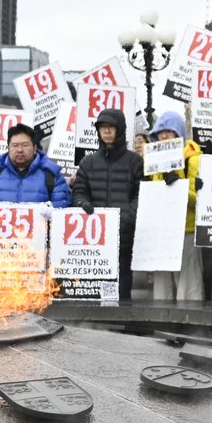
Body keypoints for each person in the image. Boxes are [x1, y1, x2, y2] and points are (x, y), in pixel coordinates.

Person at [70, 109, 141, 301]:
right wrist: (82, 203)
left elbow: (141, 194)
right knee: (93, 292)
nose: (107, 131)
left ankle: (125, 329)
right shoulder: (88, 162)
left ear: (120, 129)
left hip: (124, 237)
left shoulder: (135, 162)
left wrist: (127, 215)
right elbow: (78, 191)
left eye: (111, 127)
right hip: (95, 241)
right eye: (102, 128)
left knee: (122, 290)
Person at [142, 111, 204, 302]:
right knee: (161, 284)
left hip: (186, 230)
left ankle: (191, 324)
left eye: (169, 131)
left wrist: (179, 187)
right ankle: (162, 323)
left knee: (188, 283)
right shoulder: (154, 162)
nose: (164, 136)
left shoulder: (193, 160)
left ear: (179, 133)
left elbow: (200, 202)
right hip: (162, 232)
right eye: (160, 133)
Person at [0, 124, 72, 213]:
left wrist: (52, 211)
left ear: (35, 148)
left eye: (25, 145)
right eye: (15, 145)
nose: (20, 150)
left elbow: (63, 204)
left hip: (39, 233)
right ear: (8, 148)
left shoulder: (52, 175)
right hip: (0, 234)